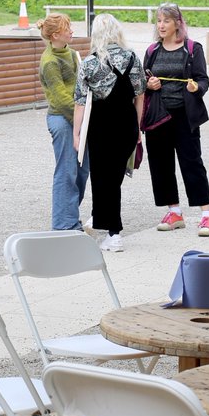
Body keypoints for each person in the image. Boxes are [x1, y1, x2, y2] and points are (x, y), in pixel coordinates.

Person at [73, 14, 145, 252]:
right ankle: (99, 218)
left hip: (99, 127)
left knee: (103, 177)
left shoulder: (89, 63)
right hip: (126, 124)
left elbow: (80, 102)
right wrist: (138, 128)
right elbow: (140, 94)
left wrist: (77, 134)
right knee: (113, 178)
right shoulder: (132, 58)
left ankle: (114, 234)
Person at [141, 2, 209, 236]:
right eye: (159, 21)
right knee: (160, 166)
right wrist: (149, 84)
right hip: (158, 116)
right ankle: (174, 212)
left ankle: (207, 215)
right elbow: (144, 79)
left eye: (166, 21)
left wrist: (196, 88)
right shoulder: (153, 51)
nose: (161, 25)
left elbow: (203, 79)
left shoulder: (192, 49)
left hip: (184, 115)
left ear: (177, 24)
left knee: (192, 162)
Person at [37, 13, 90, 231]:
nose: (72, 31)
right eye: (68, 28)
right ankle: (63, 225)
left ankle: (69, 216)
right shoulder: (50, 62)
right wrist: (83, 122)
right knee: (66, 170)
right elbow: (61, 98)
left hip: (77, 117)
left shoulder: (71, 53)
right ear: (56, 35)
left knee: (82, 170)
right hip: (62, 118)